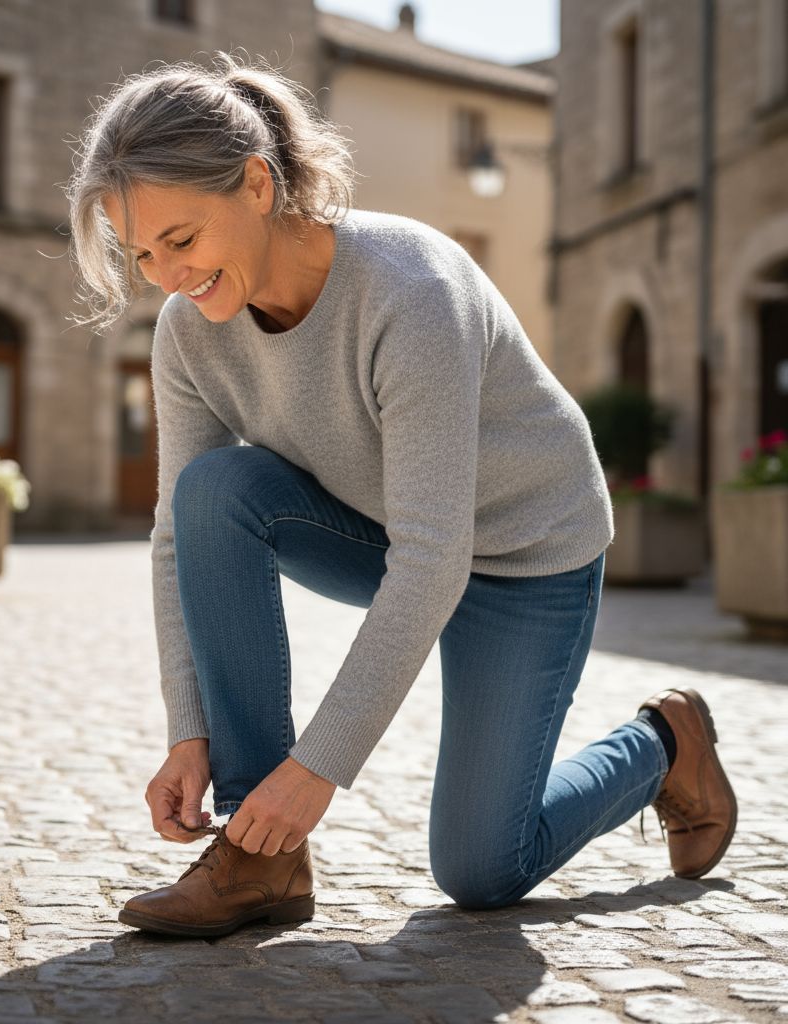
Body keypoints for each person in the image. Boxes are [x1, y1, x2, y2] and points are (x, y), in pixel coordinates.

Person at [67, 56, 737, 939]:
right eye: (141, 253)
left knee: (481, 869)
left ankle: (665, 747)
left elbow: (435, 556)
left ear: (258, 185)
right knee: (213, 492)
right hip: (386, 532)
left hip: (527, 552)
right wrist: (188, 729)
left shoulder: (411, 291)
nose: (166, 277)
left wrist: (318, 771)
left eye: (182, 240)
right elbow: (173, 539)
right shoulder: (189, 334)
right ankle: (257, 858)